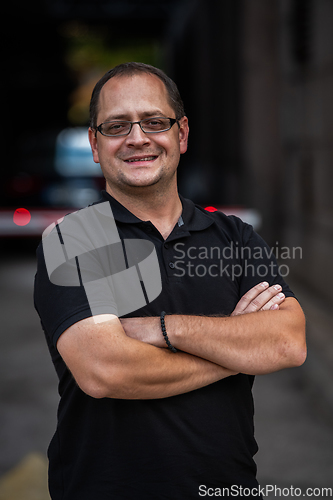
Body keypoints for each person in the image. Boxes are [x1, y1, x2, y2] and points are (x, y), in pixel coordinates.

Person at [34, 62, 306, 499]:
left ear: (180, 134)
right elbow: (107, 371)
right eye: (117, 126)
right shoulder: (75, 239)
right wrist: (238, 351)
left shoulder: (234, 236)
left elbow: (287, 343)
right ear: (94, 143)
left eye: (154, 122)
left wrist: (163, 329)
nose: (137, 138)